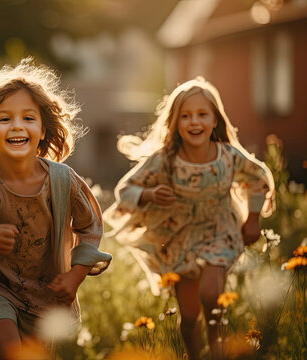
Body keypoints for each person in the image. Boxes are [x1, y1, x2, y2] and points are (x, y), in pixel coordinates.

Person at [0, 58, 112, 359]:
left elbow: (90, 226)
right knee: (9, 350)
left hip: (47, 290)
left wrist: (75, 276)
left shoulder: (62, 180)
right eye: (4, 119)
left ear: (42, 129)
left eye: (28, 118)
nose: (17, 126)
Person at [104, 77, 275, 359]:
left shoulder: (228, 157)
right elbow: (125, 189)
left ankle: (218, 350)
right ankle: (194, 354)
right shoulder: (166, 159)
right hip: (178, 238)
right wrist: (149, 195)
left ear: (215, 120)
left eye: (201, 114)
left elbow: (258, 178)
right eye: (185, 116)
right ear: (175, 122)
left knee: (211, 295)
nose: (194, 122)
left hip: (221, 232)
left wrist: (253, 218)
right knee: (188, 312)